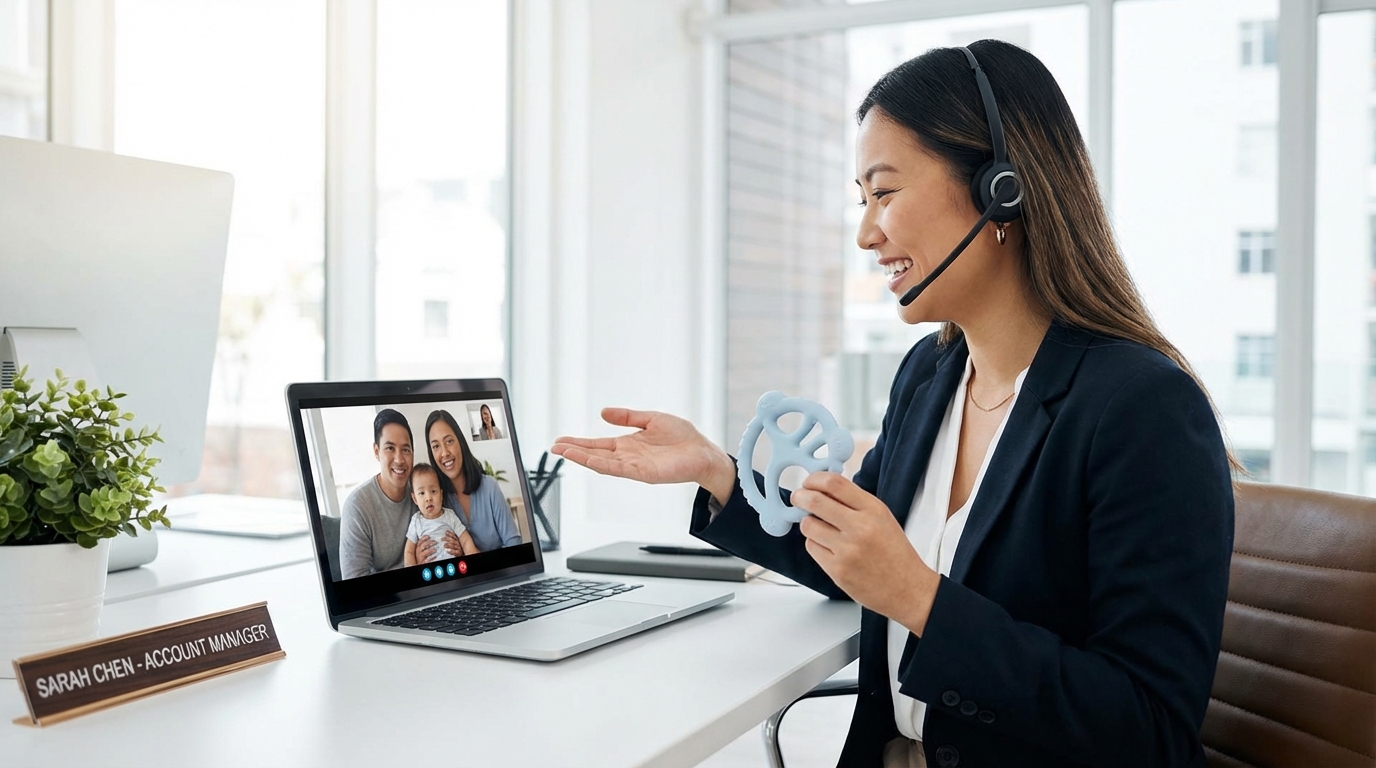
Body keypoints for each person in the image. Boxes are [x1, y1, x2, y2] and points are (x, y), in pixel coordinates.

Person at [551, 40, 1233, 768]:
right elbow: (853, 558)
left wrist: (922, 601)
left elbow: (1151, 731)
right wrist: (716, 472)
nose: (865, 232)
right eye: (861, 199)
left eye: (884, 192)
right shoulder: (931, 374)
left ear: (1000, 188)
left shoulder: (1143, 410)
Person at [418, 409, 522, 558]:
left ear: (460, 442)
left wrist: (470, 557)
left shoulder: (489, 488)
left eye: (449, 441)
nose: (444, 452)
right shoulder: (435, 501)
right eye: (436, 446)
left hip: (500, 577)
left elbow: (515, 547)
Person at [339, 408, 419, 580]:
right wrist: (413, 564)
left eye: (406, 450)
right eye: (390, 448)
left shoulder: (422, 490)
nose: (399, 459)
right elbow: (355, 583)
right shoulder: (357, 506)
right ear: (376, 451)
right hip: (388, 600)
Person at [403, 463, 478, 566]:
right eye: (422, 493)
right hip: (429, 573)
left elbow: (465, 540)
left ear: (441, 494)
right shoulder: (416, 521)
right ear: (415, 498)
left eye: (433, 491)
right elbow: (409, 551)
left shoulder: (450, 515)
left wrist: (473, 559)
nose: (428, 498)